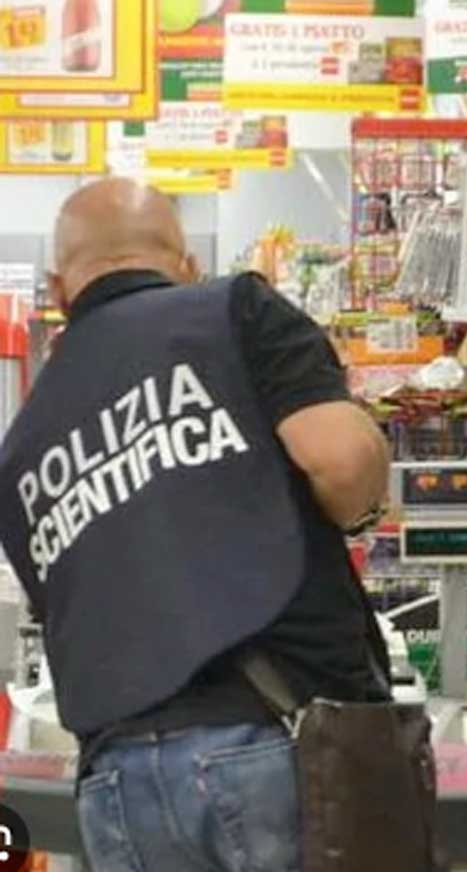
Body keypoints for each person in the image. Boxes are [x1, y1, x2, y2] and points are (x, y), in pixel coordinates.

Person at [0, 178, 393, 871]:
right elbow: (339, 462)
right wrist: (364, 506)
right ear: (185, 265)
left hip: (116, 784)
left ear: (61, 290)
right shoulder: (233, 311)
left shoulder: (23, 442)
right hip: (278, 743)